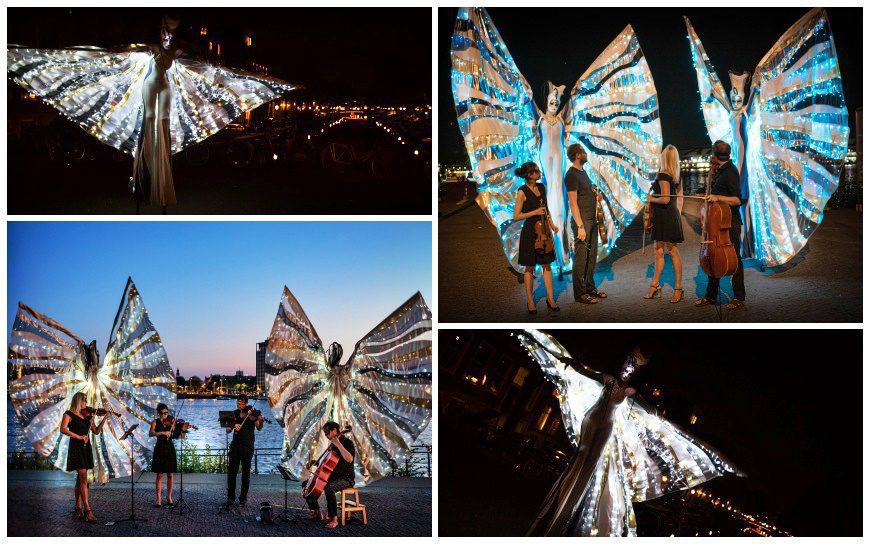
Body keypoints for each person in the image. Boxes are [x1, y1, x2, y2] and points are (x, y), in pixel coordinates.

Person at [132, 15, 182, 213]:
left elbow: (195, 56)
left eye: (168, 32)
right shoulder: (153, 47)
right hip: (151, 85)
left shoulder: (174, 51)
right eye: (163, 31)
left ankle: (162, 182)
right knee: (149, 121)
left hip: (165, 87)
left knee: (162, 126)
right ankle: (145, 173)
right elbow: (134, 48)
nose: (166, 35)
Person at [695, 140, 747, 310]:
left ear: (715, 155)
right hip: (717, 222)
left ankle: (739, 297)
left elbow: (737, 199)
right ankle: (711, 296)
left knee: (735, 260)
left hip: (730, 222)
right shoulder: (719, 170)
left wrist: (718, 198)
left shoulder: (730, 172)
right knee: (714, 256)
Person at [513, 161, 560, 314]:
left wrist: (552, 225)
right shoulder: (522, 192)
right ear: (529, 174)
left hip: (544, 231)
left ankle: (550, 298)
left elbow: (546, 209)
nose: (539, 172)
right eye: (536, 171)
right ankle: (530, 300)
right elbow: (516, 216)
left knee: (547, 265)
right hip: (530, 232)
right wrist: (534, 212)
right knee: (530, 266)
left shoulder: (541, 187)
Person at [59, 391, 110, 522]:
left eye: (86, 401)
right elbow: (63, 429)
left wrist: (104, 418)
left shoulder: (87, 416)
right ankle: (88, 511)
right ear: (78, 401)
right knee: (83, 478)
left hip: (86, 449)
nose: (86, 404)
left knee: (80, 479)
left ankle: (77, 508)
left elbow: (96, 431)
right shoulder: (68, 414)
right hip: (76, 448)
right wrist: (79, 436)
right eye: (84, 401)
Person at [565, 144, 607, 304]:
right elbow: (573, 203)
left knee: (591, 257)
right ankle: (580, 293)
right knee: (581, 258)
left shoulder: (584, 173)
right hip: (583, 222)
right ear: (577, 155)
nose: (585, 154)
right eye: (583, 152)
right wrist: (580, 226)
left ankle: (590, 287)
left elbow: (588, 192)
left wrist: (597, 195)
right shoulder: (571, 175)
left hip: (593, 220)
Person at [644, 145, 685, 303]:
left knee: (670, 250)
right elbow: (680, 196)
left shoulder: (663, 175)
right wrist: (677, 214)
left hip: (664, 216)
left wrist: (650, 199)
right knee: (660, 251)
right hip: (670, 215)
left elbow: (665, 199)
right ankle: (655, 285)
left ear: (664, 158)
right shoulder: (676, 175)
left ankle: (678, 288)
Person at [305, 421, 356, 529]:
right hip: (333, 476)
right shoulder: (332, 445)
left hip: (346, 478)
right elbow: (327, 462)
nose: (326, 435)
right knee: (307, 484)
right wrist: (314, 462)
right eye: (325, 433)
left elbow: (350, 459)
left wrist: (338, 444)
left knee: (329, 489)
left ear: (334, 430)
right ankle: (317, 512)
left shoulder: (347, 443)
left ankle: (334, 519)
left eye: (327, 432)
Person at [225, 394, 265, 507]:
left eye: (242, 403)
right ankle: (230, 498)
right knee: (232, 473)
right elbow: (227, 430)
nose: (239, 405)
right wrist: (233, 426)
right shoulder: (234, 413)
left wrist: (261, 421)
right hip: (235, 446)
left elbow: (259, 428)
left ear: (246, 403)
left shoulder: (253, 413)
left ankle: (243, 499)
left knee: (245, 474)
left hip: (247, 446)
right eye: (238, 403)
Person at [149, 403, 177, 507]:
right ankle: (158, 498)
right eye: (162, 413)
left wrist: (175, 428)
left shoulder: (171, 421)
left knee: (170, 474)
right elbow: (151, 433)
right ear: (159, 413)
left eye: (166, 413)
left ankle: (169, 496)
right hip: (160, 448)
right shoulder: (155, 422)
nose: (165, 415)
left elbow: (176, 434)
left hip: (170, 448)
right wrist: (162, 433)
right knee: (159, 474)